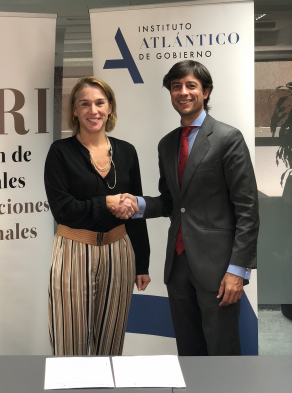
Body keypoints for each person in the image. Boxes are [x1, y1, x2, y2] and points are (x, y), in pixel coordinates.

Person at [112, 61, 259, 356]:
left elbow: (247, 208)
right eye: (176, 86)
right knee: (189, 353)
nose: (183, 92)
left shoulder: (228, 138)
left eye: (191, 85)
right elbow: (171, 202)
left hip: (219, 268)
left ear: (206, 91)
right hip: (178, 267)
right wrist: (138, 204)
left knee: (222, 353)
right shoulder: (167, 144)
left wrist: (237, 270)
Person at [44, 76, 150, 356]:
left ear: (110, 107)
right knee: (70, 346)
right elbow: (63, 210)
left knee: (111, 347)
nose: (93, 110)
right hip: (74, 251)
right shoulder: (60, 153)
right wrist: (105, 203)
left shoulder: (127, 152)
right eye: (85, 104)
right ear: (74, 110)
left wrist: (142, 263)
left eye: (100, 103)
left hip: (119, 252)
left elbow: (136, 211)